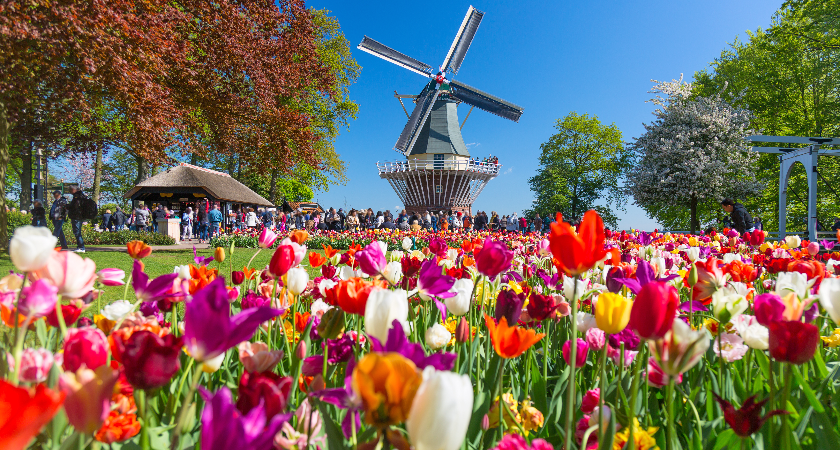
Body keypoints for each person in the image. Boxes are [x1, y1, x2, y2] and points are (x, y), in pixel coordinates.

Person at [67, 186, 87, 253]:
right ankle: (80, 247)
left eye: (70, 190)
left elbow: (75, 206)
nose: (69, 192)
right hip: (78, 216)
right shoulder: (80, 196)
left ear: (74, 190)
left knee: (77, 232)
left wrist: (67, 206)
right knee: (77, 232)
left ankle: (81, 247)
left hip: (76, 216)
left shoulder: (77, 197)